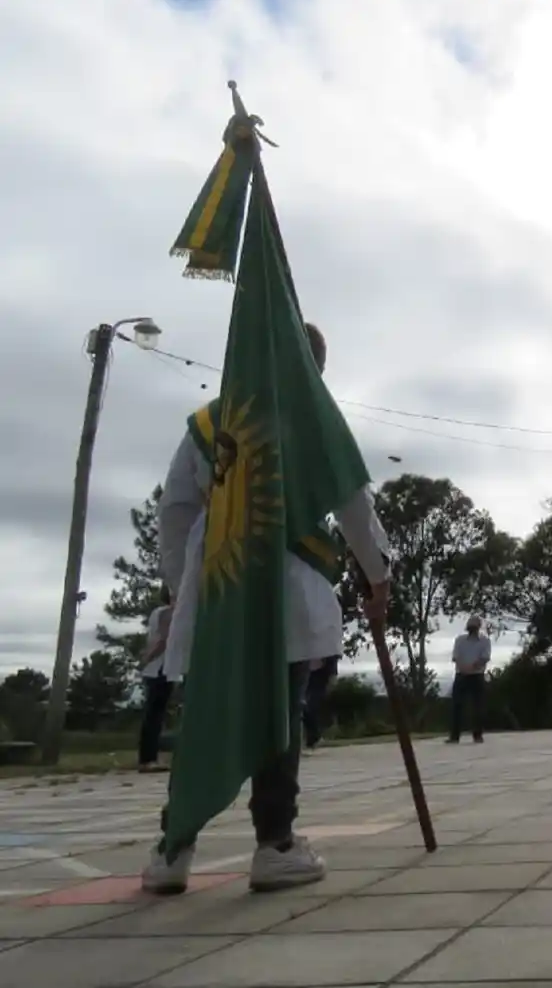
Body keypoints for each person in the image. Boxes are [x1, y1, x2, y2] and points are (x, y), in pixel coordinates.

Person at [144, 322, 391, 894]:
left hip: (220, 584)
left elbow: (176, 510)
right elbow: (355, 506)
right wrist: (377, 577)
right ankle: (275, 845)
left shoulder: (210, 423)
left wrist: (185, 588)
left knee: (206, 713)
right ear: (315, 370)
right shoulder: (317, 426)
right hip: (285, 592)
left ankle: (172, 850)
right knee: (279, 718)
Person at [137, 587, 177, 773]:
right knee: (155, 715)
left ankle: (148, 757)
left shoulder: (157, 612)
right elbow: (164, 639)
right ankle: (148, 758)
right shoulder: (169, 613)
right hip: (161, 668)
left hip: (154, 668)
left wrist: (145, 659)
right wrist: (149, 658)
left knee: (154, 714)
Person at [449, 616, 490, 744]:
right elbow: (456, 657)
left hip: (477, 675)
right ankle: (454, 736)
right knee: (457, 706)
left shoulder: (484, 641)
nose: (472, 628)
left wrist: (472, 667)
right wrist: (464, 668)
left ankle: (477, 735)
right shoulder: (460, 640)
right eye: (470, 626)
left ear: (478, 627)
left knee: (477, 706)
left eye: (474, 626)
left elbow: (485, 657)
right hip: (461, 674)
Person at [301, 655, 337, 750]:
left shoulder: (324, 646)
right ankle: (313, 737)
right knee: (304, 706)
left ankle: (313, 738)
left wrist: (332, 675)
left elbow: (332, 657)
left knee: (311, 705)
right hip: (306, 673)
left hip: (319, 674)